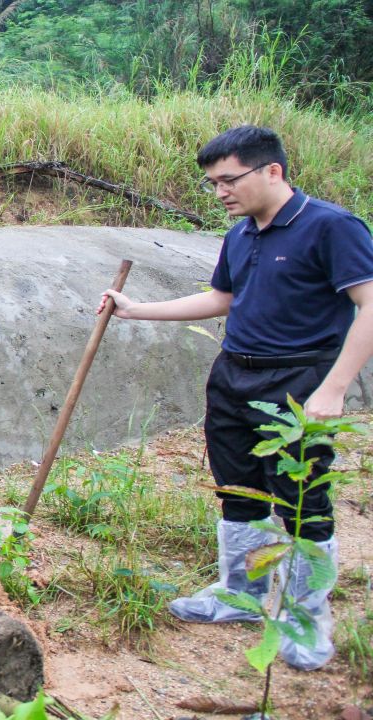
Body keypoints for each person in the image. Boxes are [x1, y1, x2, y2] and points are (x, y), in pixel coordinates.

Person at [99, 125, 373, 671]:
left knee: (302, 501)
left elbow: (370, 303)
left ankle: (305, 618)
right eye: (213, 183)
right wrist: (136, 310)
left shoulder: (331, 227)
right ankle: (240, 596)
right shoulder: (242, 234)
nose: (220, 192)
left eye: (229, 179)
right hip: (233, 377)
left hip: (299, 382)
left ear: (272, 170)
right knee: (238, 491)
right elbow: (223, 298)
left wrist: (334, 387)